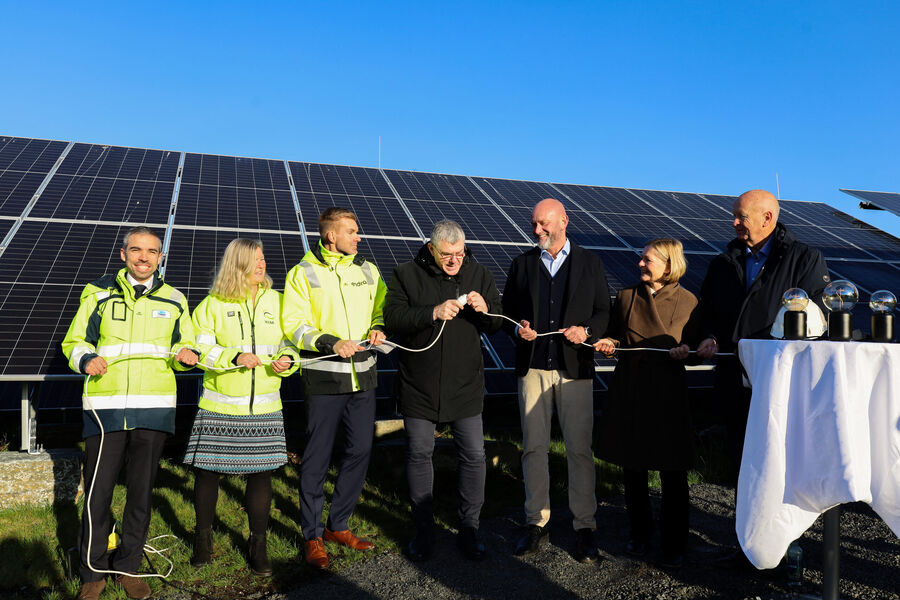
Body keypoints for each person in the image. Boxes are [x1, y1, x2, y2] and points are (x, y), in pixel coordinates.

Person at [691, 189, 829, 563]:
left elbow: (816, 320)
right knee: (745, 463)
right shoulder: (724, 263)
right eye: (735, 216)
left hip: (781, 384)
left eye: (742, 216)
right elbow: (709, 312)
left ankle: (787, 551)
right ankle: (749, 546)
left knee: (781, 465)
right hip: (735, 379)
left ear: (768, 218)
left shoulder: (803, 259)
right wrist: (709, 336)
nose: (734, 222)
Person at [62, 226, 199, 600]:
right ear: (123, 254)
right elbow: (74, 341)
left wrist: (187, 357)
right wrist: (86, 359)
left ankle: (129, 567)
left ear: (160, 257)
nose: (144, 257)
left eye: (152, 251)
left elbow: (184, 347)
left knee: (140, 493)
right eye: (136, 250)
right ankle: (93, 572)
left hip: (153, 410)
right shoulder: (97, 293)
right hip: (104, 410)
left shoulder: (175, 299)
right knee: (98, 493)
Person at [383, 220, 503, 562]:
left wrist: (486, 310)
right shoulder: (406, 274)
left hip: (465, 387)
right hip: (418, 386)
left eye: (460, 254)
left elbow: (497, 323)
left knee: (474, 456)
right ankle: (424, 531)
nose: (454, 261)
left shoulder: (479, 274)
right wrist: (432, 312)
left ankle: (469, 528)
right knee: (419, 454)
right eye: (447, 254)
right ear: (431, 249)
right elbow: (393, 318)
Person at [502, 198, 611, 563]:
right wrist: (518, 328)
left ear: (564, 221)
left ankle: (585, 526)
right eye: (534, 224)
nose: (537, 231)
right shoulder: (522, 264)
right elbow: (507, 313)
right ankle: (536, 522)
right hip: (532, 368)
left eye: (543, 224)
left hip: (575, 370)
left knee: (579, 449)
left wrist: (587, 331)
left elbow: (603, 310)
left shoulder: (590, 263)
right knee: (534, 447)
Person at [184, 238, 300, 576]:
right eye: (254, 260)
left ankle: (258, 545)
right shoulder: (213, 304)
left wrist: (287, 359)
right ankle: (202, 540)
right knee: (207, 473)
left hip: (264, 406)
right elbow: (199, 349)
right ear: (237, 264)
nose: (262, 265)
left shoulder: (279, 301)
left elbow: (291, 343)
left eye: (263, 259)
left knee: (261, 476)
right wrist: (233, 357)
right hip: (219, 405)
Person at [282, 207, 388, 569]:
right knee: (317, 459)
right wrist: (330, 342)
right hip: (325, 380)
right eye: (352, 232)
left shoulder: (368, 269)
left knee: (360, 450)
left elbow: (381, 308)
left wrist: (378, 327)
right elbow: (293, 325)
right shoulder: (302, 273)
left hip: (364, 377)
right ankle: (312, 535)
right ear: (332, 236)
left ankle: (337, 525)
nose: (358, 237)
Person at [593, 239, 699, 569]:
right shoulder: (626, 296)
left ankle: (674, 541)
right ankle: (639, 532)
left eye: (648, 260)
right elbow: (614, 334)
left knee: (672, 472)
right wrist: (608, 343)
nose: (640, 264)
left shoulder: (688, 301)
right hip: (632, 388)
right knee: (633, 467)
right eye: (641, 258)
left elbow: (695, 346)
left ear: (669, 265)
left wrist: (686, 351)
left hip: (667, 393)